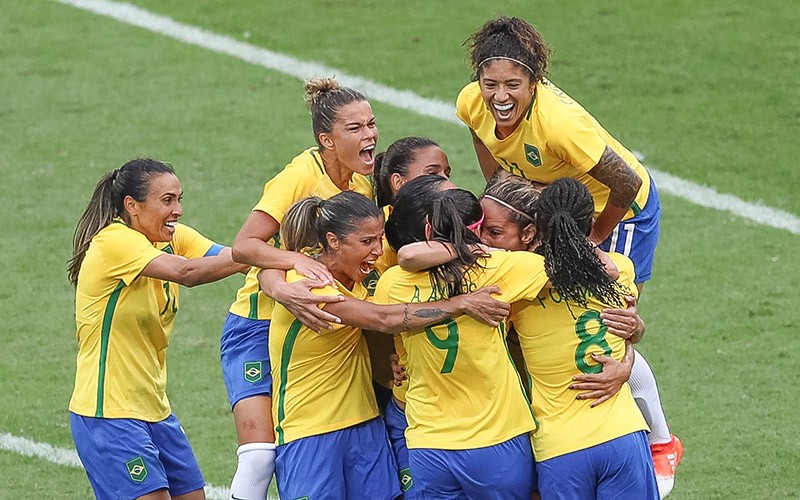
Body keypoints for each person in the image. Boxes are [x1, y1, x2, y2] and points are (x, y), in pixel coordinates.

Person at [457, 17, 681, 496]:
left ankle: (660, 438)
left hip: (617, 212)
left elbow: (628, 184)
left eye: (512, 85)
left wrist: (594, 239)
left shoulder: (559, 123)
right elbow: (480, 132)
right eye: (489, 82)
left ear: (534, 82)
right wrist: (502, 190)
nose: (499, 95)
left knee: (610, 315)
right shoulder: (471, 103)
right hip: (553, 208)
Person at [264, 191, 510, 499]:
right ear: (334, 240)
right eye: (367, 242)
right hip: (310, 431)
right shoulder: (307, 285)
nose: (377, 250)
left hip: (367, 423)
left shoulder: (363, 277)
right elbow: (381, 318)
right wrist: (459, 304)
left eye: (379, 239)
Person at [221, 77, 379, 499]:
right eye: (356, 128)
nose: (370, 135)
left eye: (371, 124)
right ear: (326, 139)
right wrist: (291, 269)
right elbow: (244, 246)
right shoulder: (298, 176)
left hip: (316, 325)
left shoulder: (363, 183)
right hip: (257, 324)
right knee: (259, 457)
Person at [67, 158, 246, 500]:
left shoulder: (171, 238)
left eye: (179, 199)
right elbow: (188, 272)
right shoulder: (113, 242)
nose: (177, 210)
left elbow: (229, 257)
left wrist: (283, 258)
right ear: (132, 206)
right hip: (107, 413)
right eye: (167, 200)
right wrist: (258, 254)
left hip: (155, 409)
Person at [375, 185, 553, 499]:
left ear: (428, 229)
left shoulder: (391, 283)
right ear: (477, 231)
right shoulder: (500, 270)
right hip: (497, 440)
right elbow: (564, 264)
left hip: (430, 442)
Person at [514, 178, 658, 499]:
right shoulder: (620, 269)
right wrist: (628, 356)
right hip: (622, 435)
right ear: (591, 221)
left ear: (538, 226)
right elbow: (628, 330)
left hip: (561, 448)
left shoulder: (520, 282)